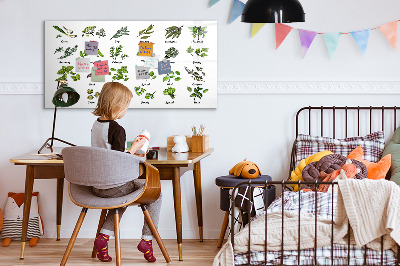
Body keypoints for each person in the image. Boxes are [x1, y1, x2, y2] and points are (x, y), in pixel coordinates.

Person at [91, 82, 161, 263]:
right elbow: (119, 160)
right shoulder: (117, 129)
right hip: (114, 186)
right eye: (126, 106)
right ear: (117, 105)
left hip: (97, 186)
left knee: (121, 197)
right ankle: (147, 240)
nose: (126, 110)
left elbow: (108, 154)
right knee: (156, 194)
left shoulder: (96, 125)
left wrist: (131, 149)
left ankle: (103, 238)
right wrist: (136, 148)